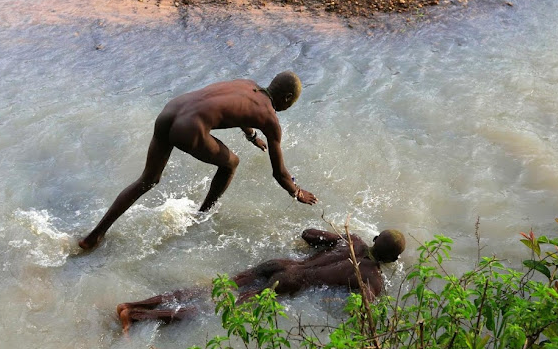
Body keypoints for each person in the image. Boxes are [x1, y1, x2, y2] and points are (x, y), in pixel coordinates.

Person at [79, 72, 318, 250]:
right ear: (287, 98)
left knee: (147, 180)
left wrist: (251, 135)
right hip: (189, 127)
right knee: (231, 163)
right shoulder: (271, 119)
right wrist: (297, 192)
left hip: (171, 111)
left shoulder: (247, 84)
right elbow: (279, 173)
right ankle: (202, 217)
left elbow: (235, 108)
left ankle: (94, 236)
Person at [116, 228, 406, 332]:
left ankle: (132, 304)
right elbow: (364, 312)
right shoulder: (373, 278)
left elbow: (308, 233)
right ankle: (138, 316)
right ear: (391, 261)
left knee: (209, 290)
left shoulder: (350, 239)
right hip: (289, 284)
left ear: (376, 237)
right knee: (215, 308)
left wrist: (326, 246)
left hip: (279, 265)